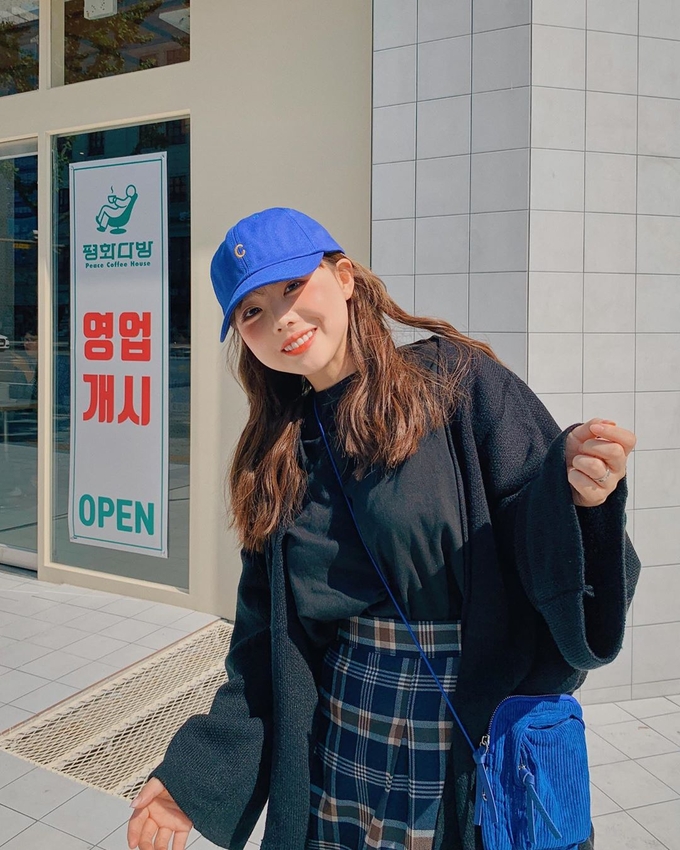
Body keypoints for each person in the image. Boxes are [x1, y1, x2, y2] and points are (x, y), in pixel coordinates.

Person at [127, 207, 641, 850]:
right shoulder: (276, 454)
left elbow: (535, 518)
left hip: (464, 724)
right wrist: (190, 779)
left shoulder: (456, 383)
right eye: (252, 311)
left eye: (293, 286)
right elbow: (264, 647)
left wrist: (581, 498)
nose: (281, 317)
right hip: (339, 737)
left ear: (344, 277)